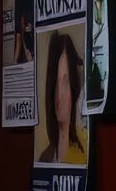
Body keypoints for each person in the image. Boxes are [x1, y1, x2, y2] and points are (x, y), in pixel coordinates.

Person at [36, 28, 89, 166]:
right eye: (56, 83)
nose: (59, 94)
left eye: (65, 83)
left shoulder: (85, 153)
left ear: (74, 87)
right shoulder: (45, 158)